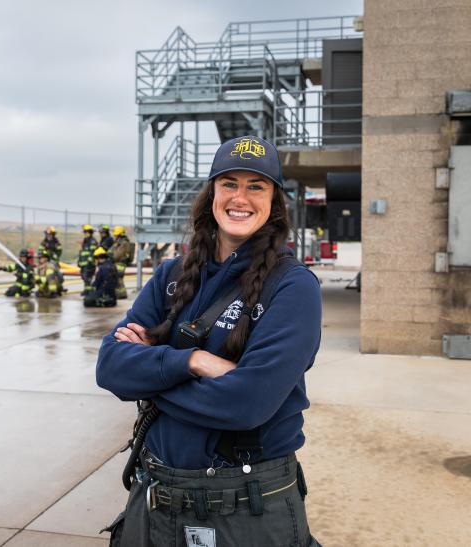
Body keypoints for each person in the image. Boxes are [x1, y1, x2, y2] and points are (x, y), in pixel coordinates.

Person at [96, 135, 322, 547]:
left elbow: (247, 402)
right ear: (212, 194)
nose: (241, 197)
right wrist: (194, 361)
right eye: (229, 183)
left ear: (274, 202)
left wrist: (150, 375)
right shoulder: (171, 276)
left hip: (245, 509)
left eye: (256, 186)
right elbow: (109, 367)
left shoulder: (293, 287)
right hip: (155, 499)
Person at [109, 226, 133, 300]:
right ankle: (120, 294)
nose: (114, 236)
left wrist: (110, 256)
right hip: (117, 263)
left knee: (118, 278)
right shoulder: (118, 242)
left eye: (115, 235)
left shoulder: (124, 243)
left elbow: (117, 255)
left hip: (120, 263)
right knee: (117, 279)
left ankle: (122, 294)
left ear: (119, 235)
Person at [77, 224, 98, 296]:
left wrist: (89, 262)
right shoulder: (86, 240)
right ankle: (86, 290)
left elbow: (92, 252)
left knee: (88, 277)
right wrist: (80, 262)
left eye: (85, 232)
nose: (84, 234)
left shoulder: (92, 241)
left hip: (89, 263)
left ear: (89, 232)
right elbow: (83, 252)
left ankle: (89, 291)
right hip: (83, 263)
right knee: (84, 277)